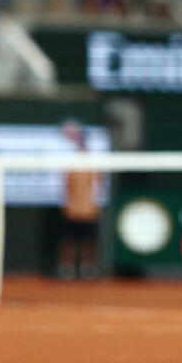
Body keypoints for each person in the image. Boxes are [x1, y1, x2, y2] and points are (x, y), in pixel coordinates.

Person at [57, 120, 101, 279]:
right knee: (69, 240)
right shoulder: (72, 163)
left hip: (88, 210)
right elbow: (66, 185)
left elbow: (98, 185)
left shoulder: (93, 164)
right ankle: (66, 267)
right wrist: (68, 205)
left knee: (89, 241)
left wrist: (93, 206)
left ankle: (88, 267)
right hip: (73, 209)